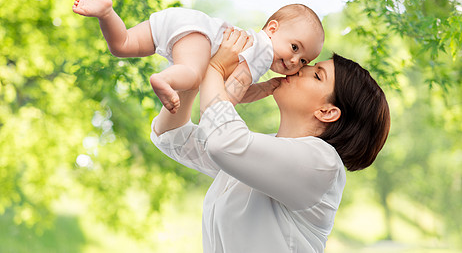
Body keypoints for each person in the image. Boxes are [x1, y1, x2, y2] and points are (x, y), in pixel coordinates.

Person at [151, 28, 391, 253]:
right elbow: (173, 138)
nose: (299, 68)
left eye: (317, 75)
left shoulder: (322, 164)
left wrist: (215, 68)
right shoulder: (262, 150)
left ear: (327, 112)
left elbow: (223, 143)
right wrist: (197, 69)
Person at [72, 0, 324, 114]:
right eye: (294, 48)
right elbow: (225, 101)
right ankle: (163, 80)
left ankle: (106, 12)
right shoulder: (262, 49)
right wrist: (222, 114)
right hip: (198, 36)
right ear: (272, 29)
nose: (294, 62)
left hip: (180, 20)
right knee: (192, 76)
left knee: (122, 45)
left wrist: (267, 88)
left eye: (303, 61)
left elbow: (237, 88)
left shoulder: (255, 59)